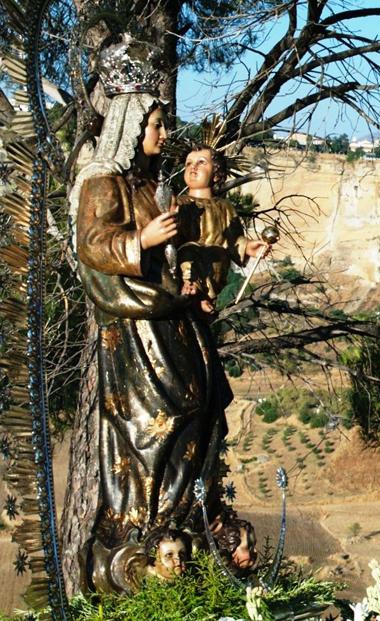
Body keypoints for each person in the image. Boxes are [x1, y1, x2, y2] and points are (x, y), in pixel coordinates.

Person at [68, 36, 253, 593]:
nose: (163, 136)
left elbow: (193, 243)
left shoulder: (153, 186)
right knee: (157, 427)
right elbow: (92, 244)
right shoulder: (105, 182)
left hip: (175, 321)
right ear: (131, 124)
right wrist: (140, 239)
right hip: (135, 333)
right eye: (155, 125)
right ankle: (146, 535)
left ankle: (185, 523)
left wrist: (197, 267)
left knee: (198, 412)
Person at [175, 145, 267, 315]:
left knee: (209, 257)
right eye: (188, 163)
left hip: (215, 263)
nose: (193, 167)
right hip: (186, 263)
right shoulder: (179, 203)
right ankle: (193, 290)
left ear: (217, 174)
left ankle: (204, 297)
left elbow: (234, 239)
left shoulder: (225, 207)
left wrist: (248, 247)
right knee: (189, 251)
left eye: (201, 162)